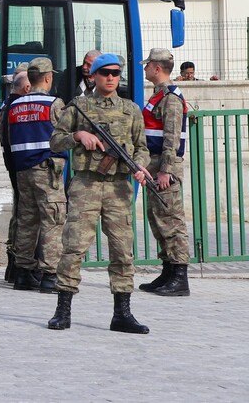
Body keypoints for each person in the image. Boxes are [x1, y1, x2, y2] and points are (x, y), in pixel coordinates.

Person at [48, 53, 151, 334]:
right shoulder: (78, 107)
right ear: (92, 75)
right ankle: (63, 310)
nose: (110, 77)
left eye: (116, 73)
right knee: (74, 248)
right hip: (87, 184)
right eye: (104, 72)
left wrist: (140, 165)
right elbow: (55, 141)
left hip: (119, 186)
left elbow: (141, 146)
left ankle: (122, 313)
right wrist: (78, 136)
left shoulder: (131, 109)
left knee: (122, 250)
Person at [5, 58, 66, 292]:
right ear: (48, 77)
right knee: (53, 220)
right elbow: (65, 134)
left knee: (26, 221)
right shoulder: (54, 103)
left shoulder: (15, 105)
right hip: (47, 169)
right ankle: (50, 275)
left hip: (22, 170)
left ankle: (23, 272)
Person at [139, 48, 191, 297]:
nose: (145, 69)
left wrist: (165, 171)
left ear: (156, 68)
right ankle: (168, 270)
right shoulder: (158, 95)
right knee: (158, 220)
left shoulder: (170, 97)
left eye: (147, 65)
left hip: (163, 166)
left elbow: (172, 139)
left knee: (171, 222)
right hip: (154, 164)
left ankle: (179, 276)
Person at [0, 69, 31, 282]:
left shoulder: (7, 104)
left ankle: (13, 266)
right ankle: (17, 265)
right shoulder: (16, 106)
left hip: (13, 163)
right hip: (20, 165)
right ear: (27, 87)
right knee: (23, 216)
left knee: (19, 214)